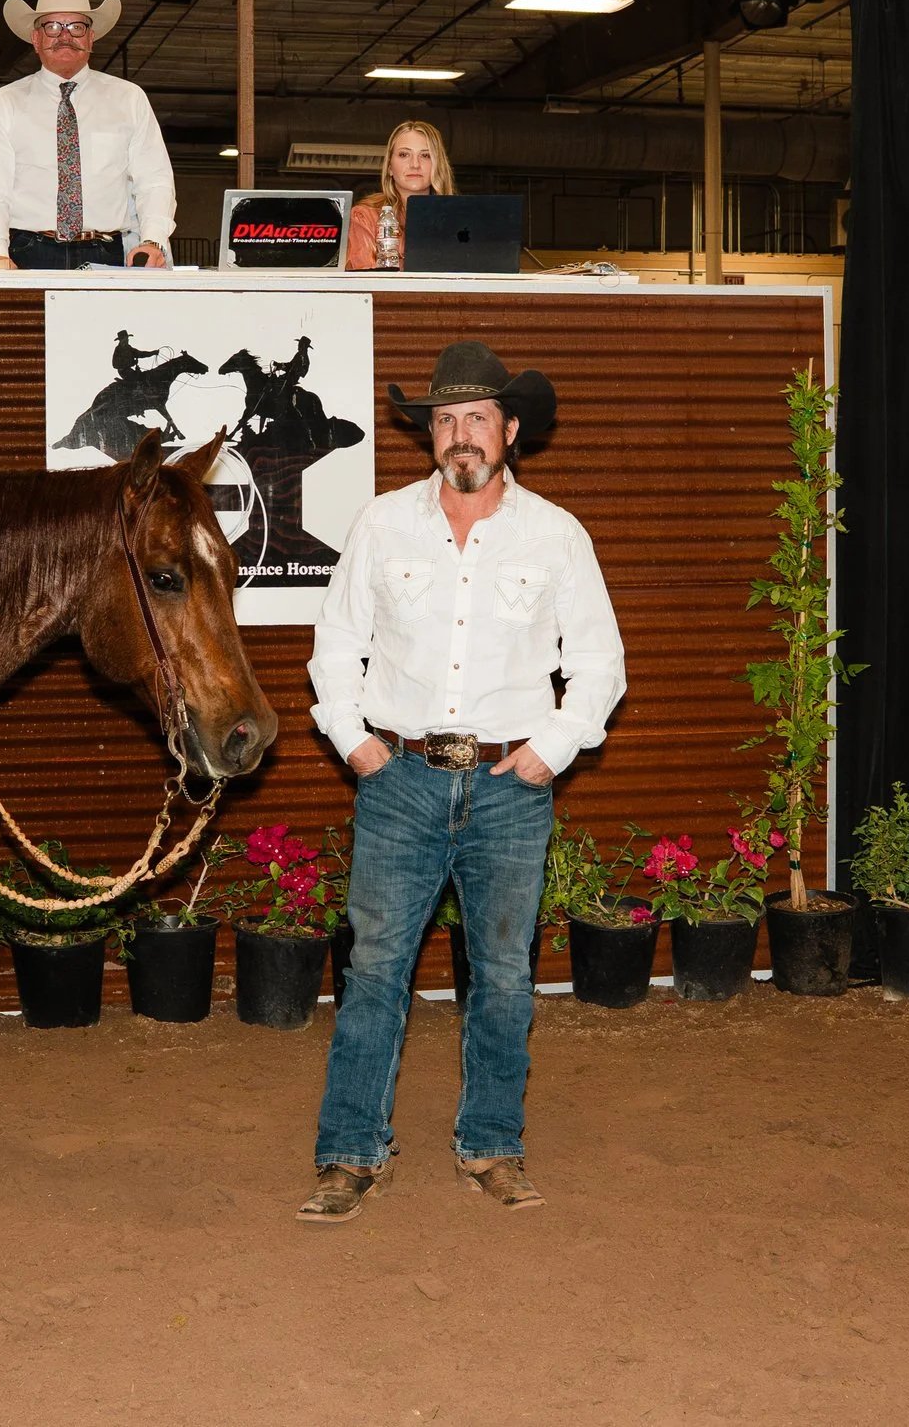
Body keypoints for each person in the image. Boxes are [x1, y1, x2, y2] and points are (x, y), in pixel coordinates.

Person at [297, 340, 625, 1220]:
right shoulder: (383, 524)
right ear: (430, 435)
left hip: (510, 789)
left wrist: (550, 748)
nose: (460, 435)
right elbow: (335, 646)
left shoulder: (556, 534)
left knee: (507, 976)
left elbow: (599, 665)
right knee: (373, 970)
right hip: (399, 778)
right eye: (444, 420)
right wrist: (355, 740)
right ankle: (350, 1152)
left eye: (477, 417)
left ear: (510, 430)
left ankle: (491, 1146)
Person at [0, 0, 176, 270]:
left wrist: (153, 240)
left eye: (76, 27)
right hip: (27, 252)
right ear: (36, 38)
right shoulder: (6, 103)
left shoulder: (129, 99)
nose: (65, 36)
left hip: (108, 252)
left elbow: (154, 180)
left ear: (91, 38)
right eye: (52, 26)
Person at [345, 120, 455, 271]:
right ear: (390, 167)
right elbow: (365, 281)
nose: (415, 164)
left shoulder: (456, 220)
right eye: (404, 154)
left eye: (425, 155)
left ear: (439, 166)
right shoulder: (364, 217)